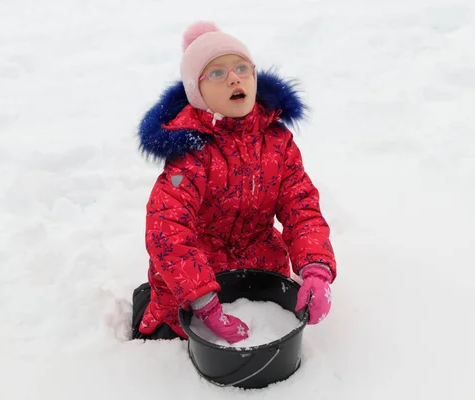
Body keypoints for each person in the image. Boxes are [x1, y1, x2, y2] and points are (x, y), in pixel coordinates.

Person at [131, 21, 337, 343]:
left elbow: (302, 207)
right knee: (170, 329)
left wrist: (316, 268)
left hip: (260, 266)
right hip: (196, 280)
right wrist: (203, 303)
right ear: (196, 93)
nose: (234, 77)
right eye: (217, 73)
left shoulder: (277, 143)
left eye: (242, 67)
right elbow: (167, 231)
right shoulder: (192, 154)